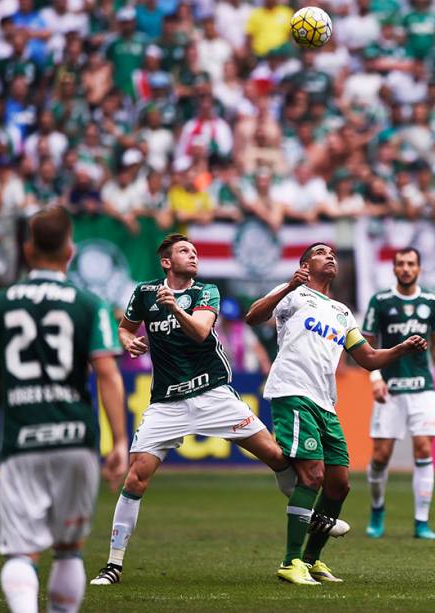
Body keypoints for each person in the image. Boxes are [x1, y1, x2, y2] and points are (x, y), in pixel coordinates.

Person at [89, 233, 301, 587]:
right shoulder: (144, 293)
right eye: (185, 251)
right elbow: (123, 329)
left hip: (212, 393)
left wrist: (174, 307)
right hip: (167, 402)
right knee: (136, 476)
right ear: (166, 262)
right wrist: (130, 342)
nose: (194, 256)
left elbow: (201, 332)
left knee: (276, 455)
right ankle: (113, 564)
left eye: (196, 251)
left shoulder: (207, 292)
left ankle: (312, 514)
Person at [245, 243, 428, 586]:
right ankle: (290, 562)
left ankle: (313, 560)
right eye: (319, 252)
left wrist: (402, 349)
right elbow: (253, 316)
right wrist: (288, 285)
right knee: (312, 476)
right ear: (304, 264)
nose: (329, 256)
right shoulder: (293, 293)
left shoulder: (343, 312)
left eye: (332, 253)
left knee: (339, 485)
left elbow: (368, 357)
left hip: (325, 401)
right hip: (292, 391)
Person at [0, 206, 129, 613]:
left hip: (22, 438)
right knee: (68, 550)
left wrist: (16, 402)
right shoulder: (88, 303)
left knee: (22, 553)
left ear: (27, 251)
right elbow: (108, 374)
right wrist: (119, 440)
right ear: (70, 251)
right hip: (76, 438)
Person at [361, 247, 435, 540]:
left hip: (422, 387)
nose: (406, 268)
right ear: (394, 269)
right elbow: (365, 343)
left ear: (419, 269)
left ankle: (421, 522)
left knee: (424, 449)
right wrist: (374, 377)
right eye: (401, 264)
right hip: (390, 389)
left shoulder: (432, 301)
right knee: (380, 456)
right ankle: (377, 509)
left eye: (411, 264)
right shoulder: (381, 301)